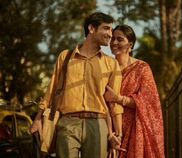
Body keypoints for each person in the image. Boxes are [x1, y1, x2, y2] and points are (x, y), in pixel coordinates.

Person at [30, 12, 124, 158]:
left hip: (98, 124)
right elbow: (52, 89)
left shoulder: (111, 64)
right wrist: (37, 119)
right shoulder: (65, 57)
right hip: (68, 123)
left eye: (111, 30)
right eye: (106, 28)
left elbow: (114, 104)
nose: (110, 34)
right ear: (91, 28)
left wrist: (117, 134)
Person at [104, 25, 165, 158]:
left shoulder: (142, 68)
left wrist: (118, 99)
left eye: (119, 39)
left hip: (136, 128)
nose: (114, 43)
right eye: (112, 39)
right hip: (110, 129)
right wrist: (110, 133)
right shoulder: (106, 68)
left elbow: (150, 103)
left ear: (130, 45)